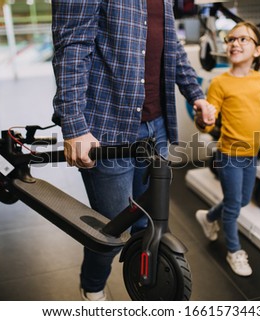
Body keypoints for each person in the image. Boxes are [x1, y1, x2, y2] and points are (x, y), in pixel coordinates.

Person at [51, 0, 215, 301]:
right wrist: (73, 124)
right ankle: (93, 286)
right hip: (108, 126)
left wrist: (196, 94)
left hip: (158, 125)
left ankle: (145, 289)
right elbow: (72, 44)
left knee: (148, 218)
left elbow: (171, 46)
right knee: (111, 228)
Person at [194, 21, 260, 277]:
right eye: (231, 39)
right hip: (229, 155)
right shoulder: (220, 83)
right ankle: (234, 251)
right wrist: (203, 119)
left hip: (252, 156)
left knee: (240, 200)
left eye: (243, 39)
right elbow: (207, 125)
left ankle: (207, 218)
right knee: (232, 206)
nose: (235, 43)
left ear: (258, 50)